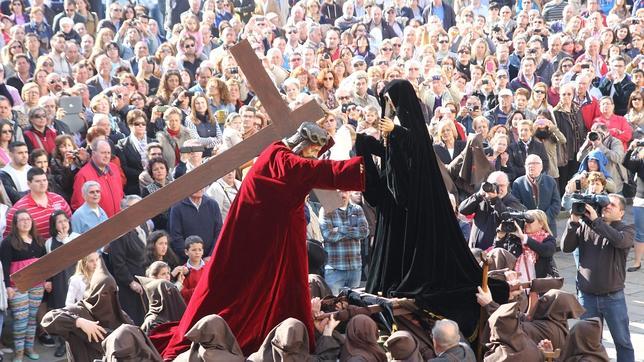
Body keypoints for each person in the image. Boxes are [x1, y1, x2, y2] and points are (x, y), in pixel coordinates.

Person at [155, 122, 364, 359]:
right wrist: (367, 167)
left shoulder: (275, 151)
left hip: (270, 237)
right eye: (313, 152)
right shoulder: (285, 163)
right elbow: (319, 171)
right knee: (248, 296)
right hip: (262, 241)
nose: (314, 158)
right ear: (303, 144)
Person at [357, 79, 507, 342]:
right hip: (396, 205)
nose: (389, 107)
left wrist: (396, 132)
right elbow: (396, 159)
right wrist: (372, 145)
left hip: (417, 202)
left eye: (392, 102)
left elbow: (419, 149)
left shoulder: (411, 128)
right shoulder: (394, 128)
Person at [562, 193, 635, 361]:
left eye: (613, 205)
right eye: (606, 204)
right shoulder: (585, 225)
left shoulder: (626, 229)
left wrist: (596, 222)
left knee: (622, 341)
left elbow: (620, 241)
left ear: (622, 212)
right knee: (588, 342)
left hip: (613, 297)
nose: (607, 206)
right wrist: (573, 222)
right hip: (586, 296)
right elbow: (566, 247)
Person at [41, 257, 133, 361]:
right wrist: (78, 322)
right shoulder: (79, 311)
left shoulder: (122, 316)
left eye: (112, 292)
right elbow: (47, 320)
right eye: (103, 293)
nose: (108, 297)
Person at [0, 209, 46, 362]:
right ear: (15, 223)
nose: (26, 222)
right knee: (21, 318)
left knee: (32, 318)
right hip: (17, 285)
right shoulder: (8, 242)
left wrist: (47, 281)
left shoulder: (39, 240)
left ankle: (29, 348)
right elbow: (5, 266)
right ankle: (19, 352)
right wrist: (8, 287)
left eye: (28, 219)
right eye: (22, 220)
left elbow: (45, 262)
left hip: (37, 284)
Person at [105, 195, 147, 326]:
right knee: (133, 320)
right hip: (128, 284)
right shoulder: (119, 232)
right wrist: (130, 282)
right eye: (132, 207)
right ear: (123, 210)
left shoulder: (143, 226)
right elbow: (118, 263)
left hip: (143, 279)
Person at [43, 210, 80, 357]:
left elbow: (77, 257)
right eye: (59, 221)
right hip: (59, 282)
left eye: (65, 220)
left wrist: (65, 240)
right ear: (54, 225)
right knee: (61, 312)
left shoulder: (76, 237)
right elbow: (49, 265)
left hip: (75, 279)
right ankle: (63, 344)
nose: (63, 224)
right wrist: (48, 281)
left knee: (76, 310)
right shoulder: (49, 242)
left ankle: (79, 341)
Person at [319, 190, 369, 295]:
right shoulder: (326, 209)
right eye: (338, 191)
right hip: (335, 268)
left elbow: (364, 232)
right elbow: (328, 235)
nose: (342, 194)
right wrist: (353, 231)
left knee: (353, 306)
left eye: (345, 191)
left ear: (349, 192)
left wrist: (340, 229)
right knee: (333, 305)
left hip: (355, 267)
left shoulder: (357, 209)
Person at [459, 171, 525, 250]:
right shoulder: (481, 198)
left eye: (502, 186)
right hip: (474, 250)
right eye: (495, 185)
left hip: (494, 253)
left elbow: (506, 217)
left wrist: (495, 200)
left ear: (507, 185)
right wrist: (478, 195)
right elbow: (462, 210)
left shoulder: (512, 202)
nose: (498, 189)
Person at [4, 167, 72, 239]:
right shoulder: (18, 208)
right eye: (38, 181)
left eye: (44, 180)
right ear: (28, 184)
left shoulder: (59, 199)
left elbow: (70, 221)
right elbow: (8, 237)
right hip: (36, 248)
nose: (42, 184)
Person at [70, 138, 124, 217]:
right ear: (93, 153)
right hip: (100, 225)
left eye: (108, 153)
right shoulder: (83, 175)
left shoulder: (114, 168)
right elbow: (78, 204)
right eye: (103, 153)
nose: (106, 156)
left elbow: (120, 194)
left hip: (119, 220)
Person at [168, 188, 223, 263]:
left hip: (210, 260)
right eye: (195, 185)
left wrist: (212, 255)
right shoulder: (177, 207)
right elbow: (176, 236)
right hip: (187, 261)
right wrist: (194, 257)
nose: (198, 188)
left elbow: (219, 232)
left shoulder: (212, 204)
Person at [511, 154, 561, 235]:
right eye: (528, 164)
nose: (531, 166)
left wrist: (543, 219)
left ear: (541, 167)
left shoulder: (550, 181)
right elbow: (516, 205)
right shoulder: (518, 183)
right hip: (527, 226)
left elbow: (556, 204)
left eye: (534, 163)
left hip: (548, 226)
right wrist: (529, 218)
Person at [623, 140, 644, 272]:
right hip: (641, 200)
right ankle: (637, 262)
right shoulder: (640, 162)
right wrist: (631, 149)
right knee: (640, 233)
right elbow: (626, 163)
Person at [180, 236, 207, 304]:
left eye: (200, 250)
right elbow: (183, 292)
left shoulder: (208, 267)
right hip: (191, 304)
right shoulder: (183, 270)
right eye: (194, 250)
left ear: (203, 251)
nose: (197, 252)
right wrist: (199, 290)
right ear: (186, 252)